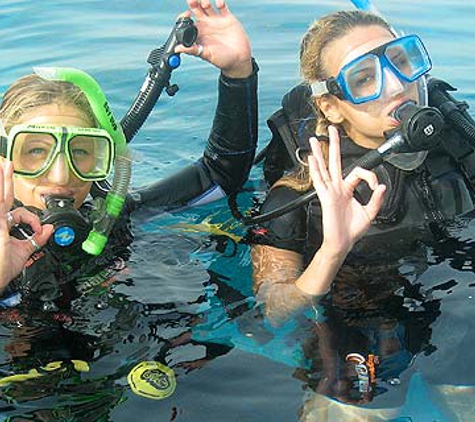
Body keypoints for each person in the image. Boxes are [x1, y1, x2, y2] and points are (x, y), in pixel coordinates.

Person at [249, 8, 475, 418]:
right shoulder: (299, 196)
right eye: (365, 77)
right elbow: (274, 310)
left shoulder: (461, 148)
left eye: (401, 62)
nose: (397, 85)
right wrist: (331, 252)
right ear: (331, 106)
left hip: (459, 303)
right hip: (360, 317)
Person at [0, 0, 257, 309]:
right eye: (36, 151)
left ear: (105, 158)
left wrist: (238, 73)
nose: (60, 175)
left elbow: (219, 175)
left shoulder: (109, 218)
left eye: (80, 151)